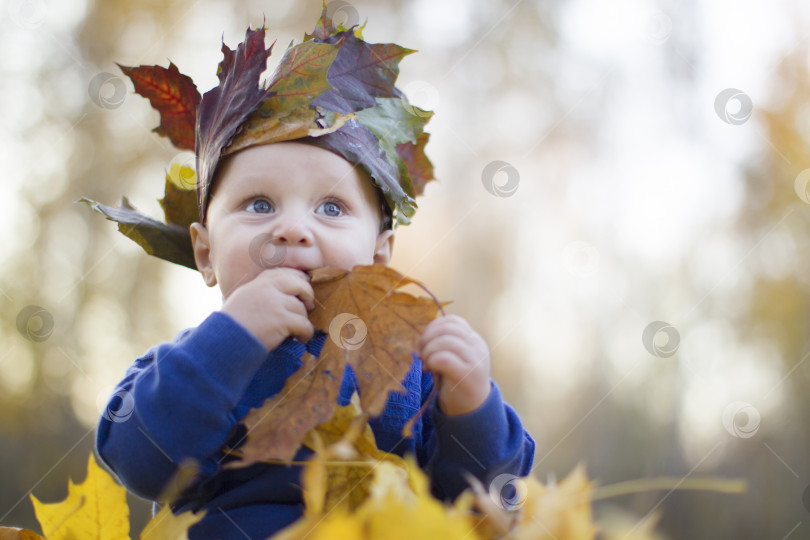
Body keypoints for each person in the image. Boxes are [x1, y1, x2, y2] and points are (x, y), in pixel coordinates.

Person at [95, 9, 534, 540]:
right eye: (259, 204)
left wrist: (471, 408)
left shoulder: (411, 370)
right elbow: (141, 463)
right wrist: (230, 341)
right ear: (206, 253)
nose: (293, 229)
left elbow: (490, 507)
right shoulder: (189, 364)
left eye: (330, 208)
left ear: (379, 254)